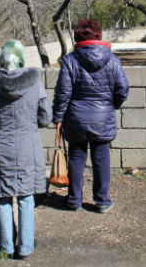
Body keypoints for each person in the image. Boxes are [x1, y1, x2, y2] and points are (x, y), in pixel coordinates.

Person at [0, 40, 51, 259]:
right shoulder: (34, 82)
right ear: (21, 58)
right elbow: (46, 116)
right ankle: (25, 247)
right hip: (28, 146)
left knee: (3, 197)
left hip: (0, 147)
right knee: (26, 197)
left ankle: (6, 247)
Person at [52, 19, 129, 213]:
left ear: (77, 37)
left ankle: (74, 200)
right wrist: (112, 105)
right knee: (101, 159)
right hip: (103, 118)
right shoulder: (113, 59)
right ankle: (102, 201)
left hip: (76, 119)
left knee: (76, 158)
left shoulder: (70, 60)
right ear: (98, 36)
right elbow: (123, 89)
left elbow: (63, 93)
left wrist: (58, 118)